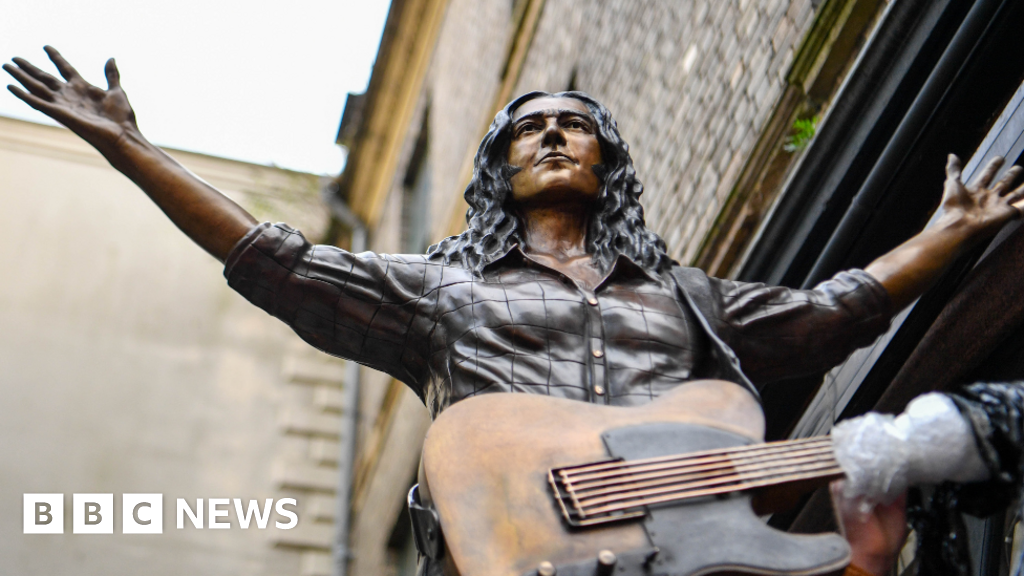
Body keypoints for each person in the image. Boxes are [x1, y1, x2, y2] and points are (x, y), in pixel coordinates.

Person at [6, 47, 1024, 575]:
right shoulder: (445, 291)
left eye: (573, 128)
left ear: (605, 166)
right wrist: (131, 150)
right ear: (498, 168)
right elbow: (278, 261)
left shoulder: (688, 298)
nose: (551, 137)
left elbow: (829, 316)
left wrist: (950, 231)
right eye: (527, 130)